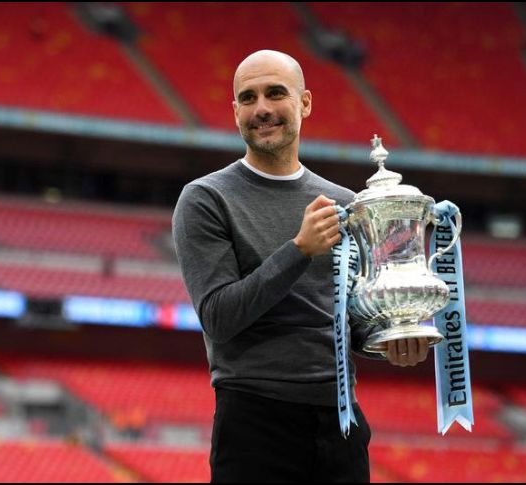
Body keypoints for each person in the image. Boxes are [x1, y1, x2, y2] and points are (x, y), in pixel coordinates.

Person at [172, 49, 429, 483]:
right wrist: (298, 250)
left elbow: (351, 319)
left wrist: (392, 337)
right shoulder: (205, 199)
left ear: (305, 103)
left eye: (276, 93)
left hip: (340, 421)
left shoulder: (348, 205)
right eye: (248, 98)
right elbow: (218, 317)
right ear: (235, 112)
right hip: (254, 424)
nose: (262, 109)